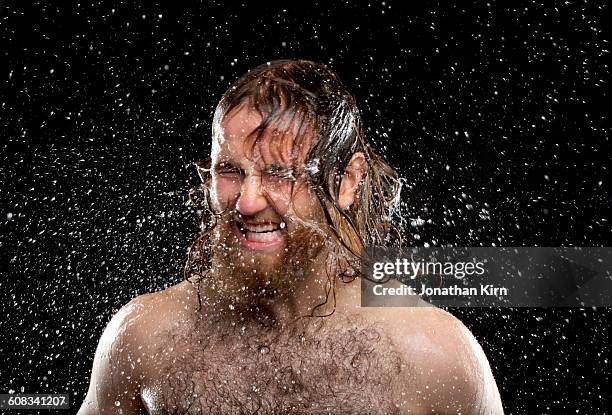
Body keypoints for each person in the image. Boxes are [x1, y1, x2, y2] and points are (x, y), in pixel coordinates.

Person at [78, 59, 504, 414]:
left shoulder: (431, 354)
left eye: (280, 173)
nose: (246, 203)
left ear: (347, 181)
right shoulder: (144, 338)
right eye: (229, 172)